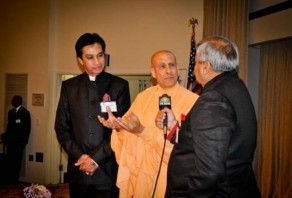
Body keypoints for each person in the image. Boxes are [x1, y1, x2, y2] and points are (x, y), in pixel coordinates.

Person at [162, 36, 261, 197]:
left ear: (205, 66)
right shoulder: (236, 85)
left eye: (196, 63)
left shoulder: (213, 98)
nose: (194, 69)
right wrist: (175, 128)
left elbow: (209, 172)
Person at [98, 50, 199, 198]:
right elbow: (128, 137)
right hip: (143, 176)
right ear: (153, 72)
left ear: (177, 68)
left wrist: (142, 131)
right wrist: (119, 128)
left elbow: (190, 147)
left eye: (172, 65)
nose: (168, 70)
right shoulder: (143, 98)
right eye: (162, 66)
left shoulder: (193, 100)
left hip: (170, 176)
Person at [54, 32, 131, 198]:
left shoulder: (119, 86)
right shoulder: (69, 87)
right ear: (80, 60)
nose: (97, 62)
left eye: (100, 55)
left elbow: (121, 130)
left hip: (107, 170)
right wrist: (82, 157)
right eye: (90, 57)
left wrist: (95, 160)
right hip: (78, 169)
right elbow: (61, 128)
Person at [2, 95, 31, 183]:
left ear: (19, 102)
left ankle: (15, 178)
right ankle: (9, 177)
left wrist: (24, 141)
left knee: (17, 160)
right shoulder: (10, 112)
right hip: (10, 141)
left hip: (19, 142)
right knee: (10, 159)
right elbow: (9, 126)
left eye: (14, 100)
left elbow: (27, 128)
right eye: (12, 100)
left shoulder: (25, 113)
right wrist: (6, 137)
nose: (12, 102)